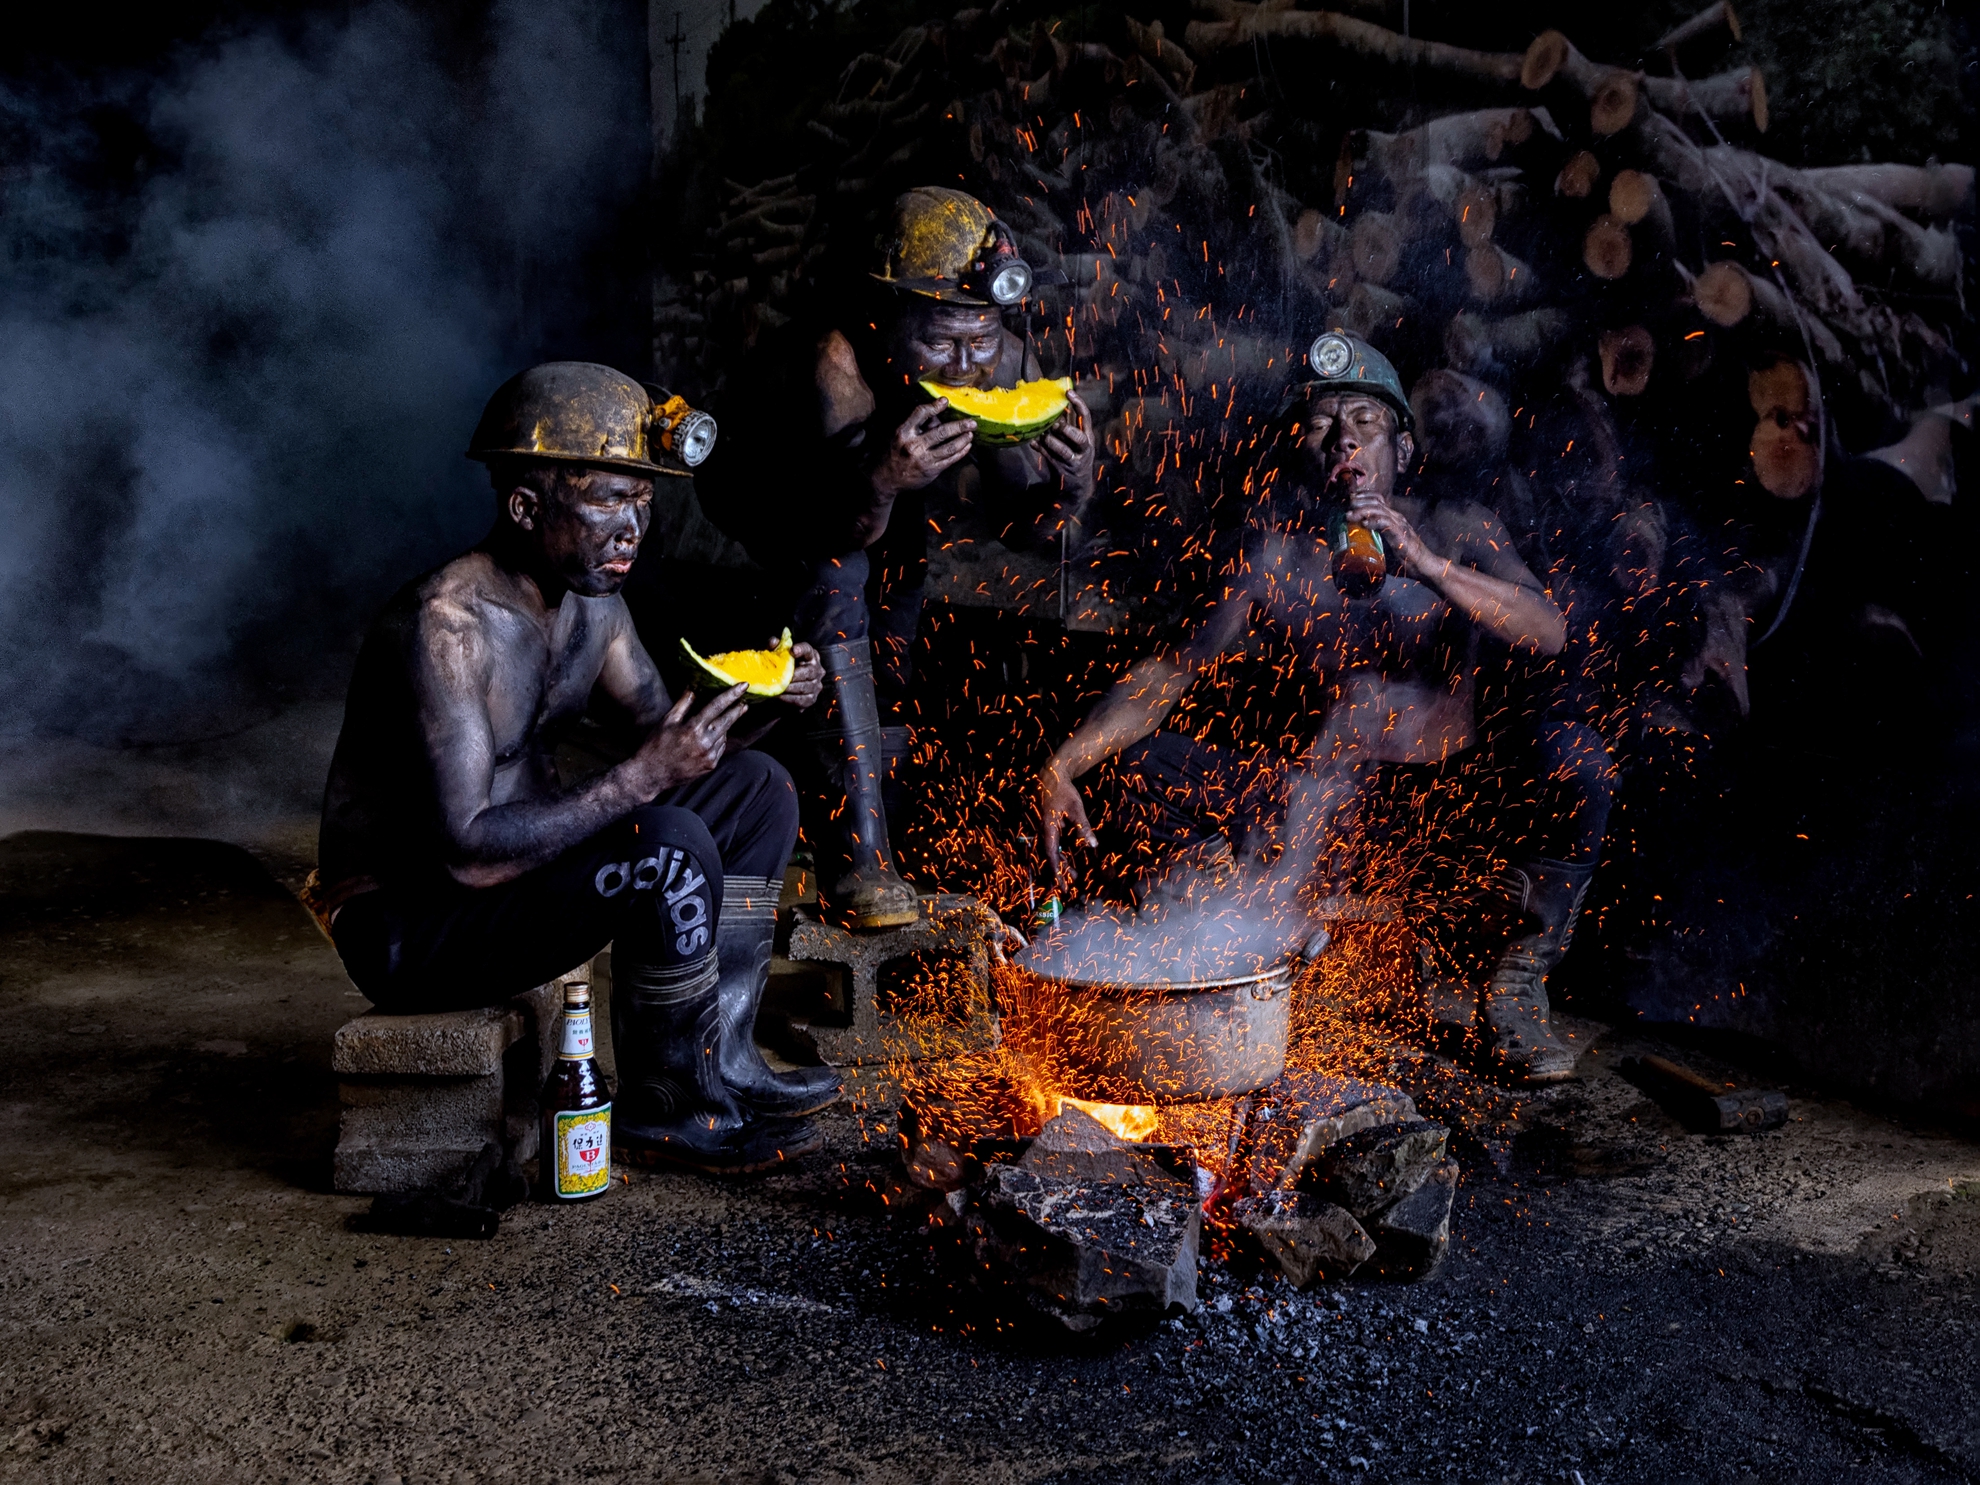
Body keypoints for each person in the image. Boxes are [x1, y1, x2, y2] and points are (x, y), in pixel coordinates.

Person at [315, 362, 840, 1175]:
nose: (632, 526)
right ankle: (667, 1106)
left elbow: (670, 739)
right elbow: (463, 846)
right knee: (664, 841)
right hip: (414, 921)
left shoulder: (597, 604)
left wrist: (773, 702)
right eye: (604, 499)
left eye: (641, 499)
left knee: (757, 790)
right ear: (526, 507)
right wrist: (637, 781)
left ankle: (724, 1060)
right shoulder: (448, 628)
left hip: (517, 874)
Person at [1034, 332, 1586, 1084]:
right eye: (1324, 424)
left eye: (1364, 418)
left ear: (1403, 446)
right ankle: (1219, 931)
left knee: (1577, 759)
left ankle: (1516, 975)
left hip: (1435, 807)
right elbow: (1170, 671)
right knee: (1143, 760)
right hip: (1318, 809)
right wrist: (1066, 761)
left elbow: (1548, 631)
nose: (1344, 437)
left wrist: (1426, 563)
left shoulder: (1458, 527)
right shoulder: (1278, 555)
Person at [693, 186, 1095, 929]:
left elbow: (1030, 531)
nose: (967, 366)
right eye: (941, 343)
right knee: (836, 578)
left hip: (884, 493)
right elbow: (838, 531)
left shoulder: (998, 356)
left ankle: (891, 817)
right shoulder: (835, 367)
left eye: (980, 341)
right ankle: (859, 853)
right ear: (889, 320)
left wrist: (1074, 485)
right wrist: (879, 480)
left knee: (894, 640)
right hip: (771, 489)